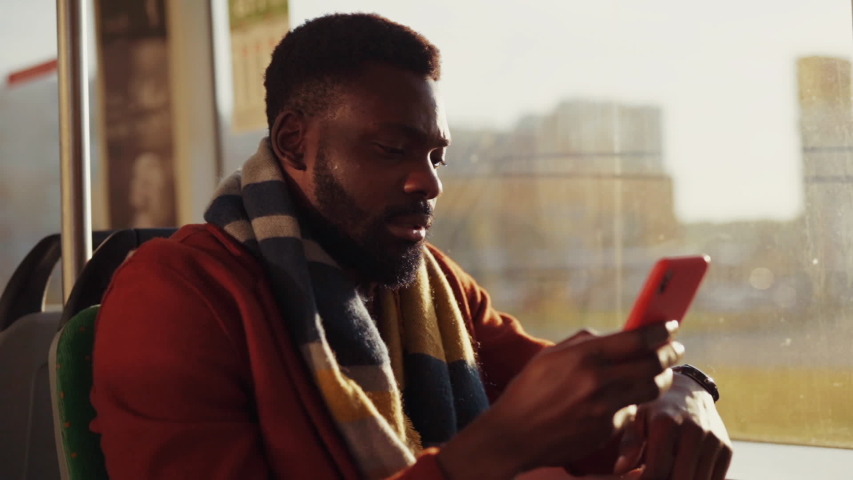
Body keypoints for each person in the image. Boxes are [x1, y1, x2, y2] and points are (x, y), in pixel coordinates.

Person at [90, 13, 732, 480]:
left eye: (436, 155)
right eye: (392, 149)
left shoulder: (435, 283)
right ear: (294, 144)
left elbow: (578, 408)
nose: (428, 182)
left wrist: (677, 388)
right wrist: (489, 454)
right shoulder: (175, 296)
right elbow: (515, 437)